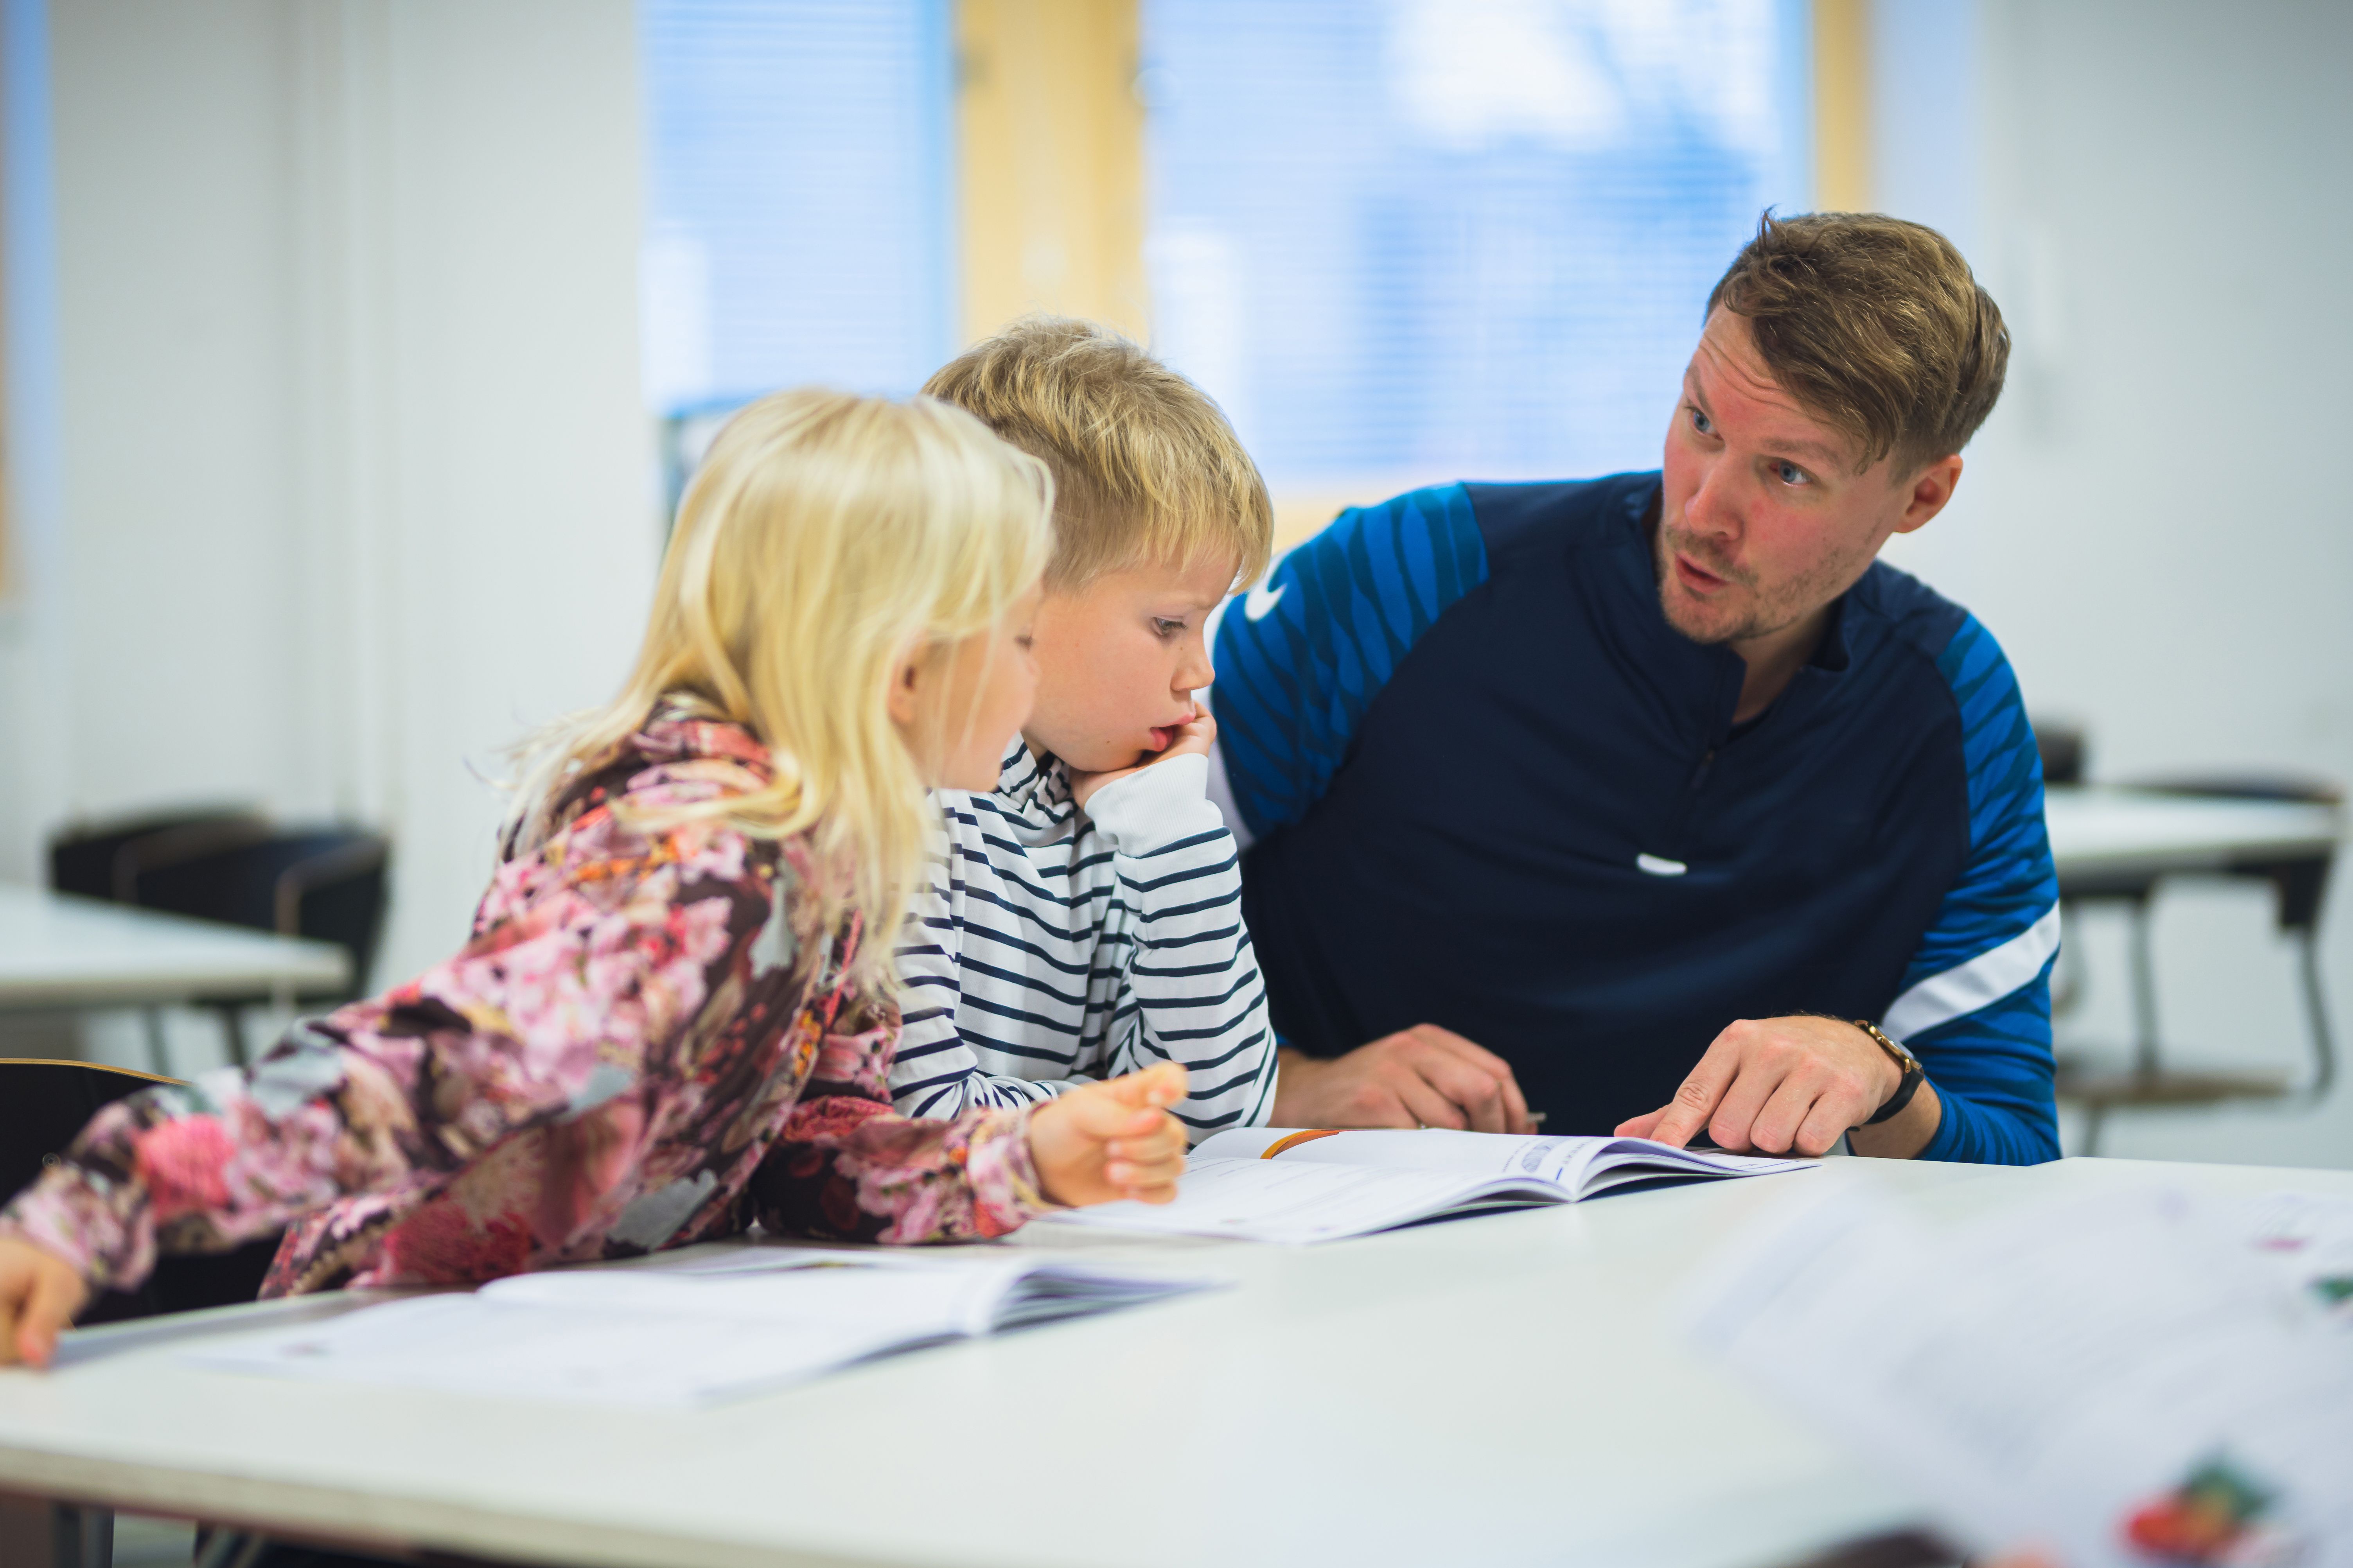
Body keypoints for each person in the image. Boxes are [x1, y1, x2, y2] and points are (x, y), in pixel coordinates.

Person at [0, 388, 1191, 1370]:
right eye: (1020, 640)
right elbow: (419, 1070)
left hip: (575, 1360)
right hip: (394, 1395)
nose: (1032, 684)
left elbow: (801, 1147)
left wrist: (1015, 1161)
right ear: (903, 671)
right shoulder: (705, 873)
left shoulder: (833, 851)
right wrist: (107, 1196)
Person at [1216, 212, 2058, 1164]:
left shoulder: (1955, 707)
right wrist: (1284, 1081)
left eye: (1785, 474)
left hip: (1701, 1285)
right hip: (1324, 1243)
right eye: (1699, 421)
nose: (1699, 512)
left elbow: (2015, 1148)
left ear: (1920, 498)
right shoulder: (1405, 575)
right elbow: (1063, 933)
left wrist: (1882, 1082)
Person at [889, 318, 1280, 1140]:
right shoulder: (905, 789)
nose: (1199, 673)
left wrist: (1173, 830)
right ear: (1008, 591)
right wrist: (1122, 1106)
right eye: (1170, 625)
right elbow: (916, 1122)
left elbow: (1224, 1109)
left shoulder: (1123, 801)